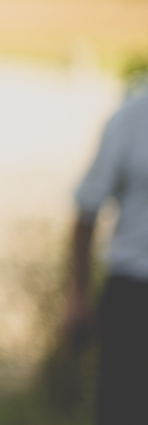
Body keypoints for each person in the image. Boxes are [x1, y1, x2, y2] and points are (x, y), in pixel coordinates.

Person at [64, 91, 148, 424]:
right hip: (133, 293)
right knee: (123, 409)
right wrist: (76, 297)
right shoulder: (132, 117)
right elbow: (87, 211)